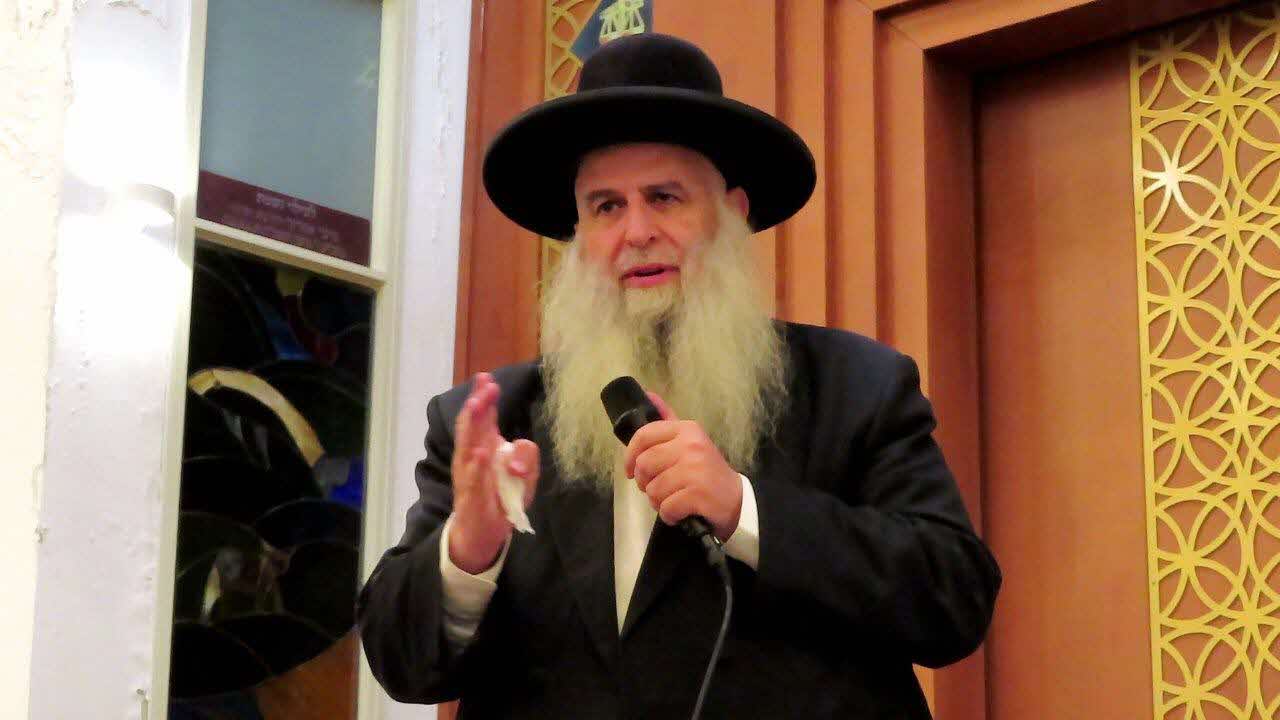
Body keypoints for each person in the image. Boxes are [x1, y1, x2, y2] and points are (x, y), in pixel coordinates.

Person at [358, 33, 1000, 718]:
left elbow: (953, 596)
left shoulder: (857, 386)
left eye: (664, 197)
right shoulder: (494, 422)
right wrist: (467, 551)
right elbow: (402, 665)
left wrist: (744, 510)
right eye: (606, 207)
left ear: (733, 215)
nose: (635, 232)